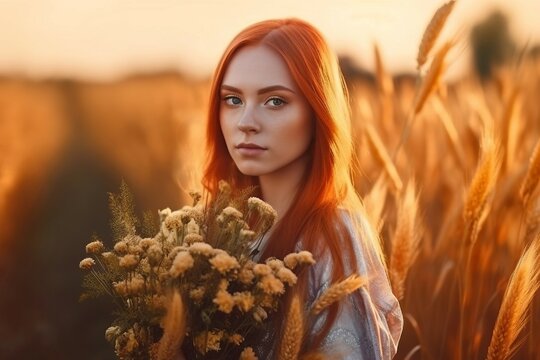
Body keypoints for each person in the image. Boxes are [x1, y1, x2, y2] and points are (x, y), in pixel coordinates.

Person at [202, 18, 403, 359]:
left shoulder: (333, 236)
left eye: (275, 101)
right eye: (233, 100)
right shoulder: (227, 227)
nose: (245, 122)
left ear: (317, 112)